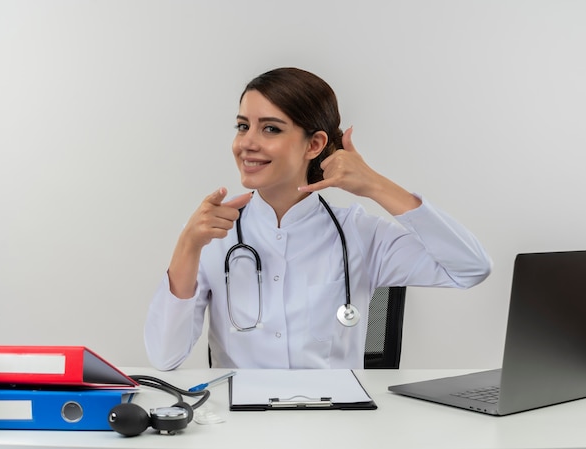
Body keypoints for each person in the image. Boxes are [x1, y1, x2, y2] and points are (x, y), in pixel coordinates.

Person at [144, 67, 492, 370]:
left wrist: (375, 185)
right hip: (243, 425)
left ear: (314, 145)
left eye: (270, 129)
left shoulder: (359, 233)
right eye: (242, 126)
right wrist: (187, 245)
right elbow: (165, 357)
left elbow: (470, 268)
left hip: (335, 423)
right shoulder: (213, 236)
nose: (246, 143)